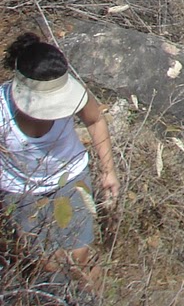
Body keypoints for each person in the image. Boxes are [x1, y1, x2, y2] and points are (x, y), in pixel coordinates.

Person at [0, 32, 119, 287]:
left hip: (71, 177)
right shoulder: (2, 108)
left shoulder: (72, 90)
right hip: (21, 190)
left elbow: (95, 120)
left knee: (80, 255)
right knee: (45, 263)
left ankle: (88, 301)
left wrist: (108, 171)